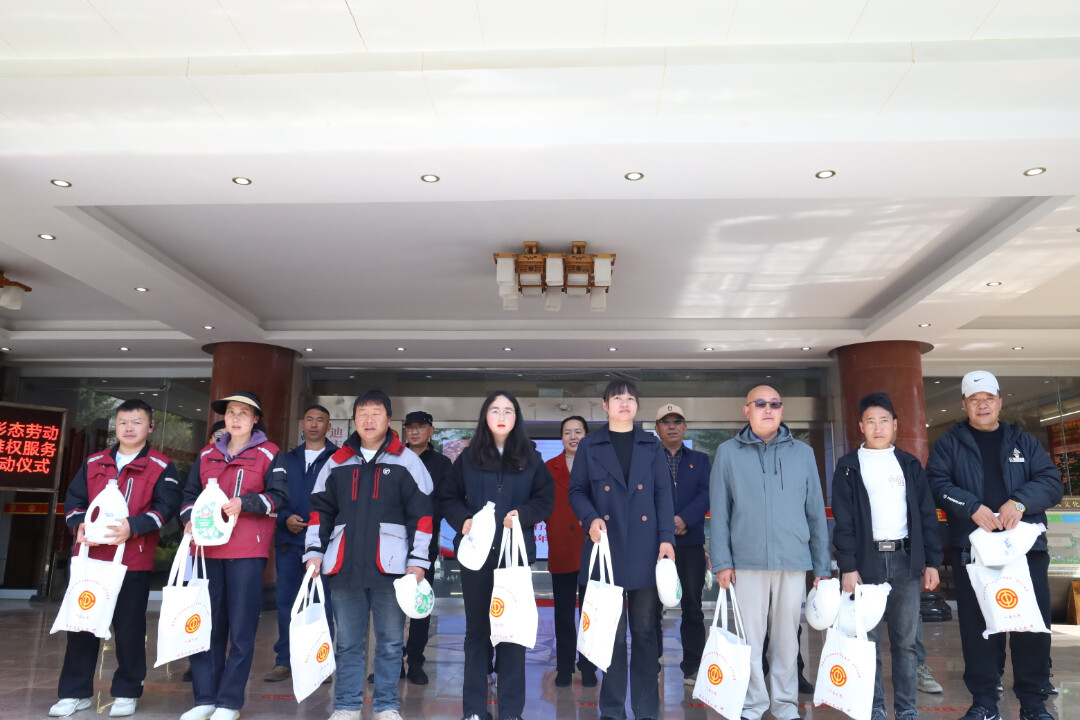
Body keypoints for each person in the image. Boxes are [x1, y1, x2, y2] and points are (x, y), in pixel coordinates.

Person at [927, 371, 1064, 720]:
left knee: (1029, 625)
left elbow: (1051, 482)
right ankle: (985, 702)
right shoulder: (949, 443)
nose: (982, 405)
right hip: (973, 549)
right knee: (978, 628)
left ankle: (1033, 703)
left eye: (988, 398)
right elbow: (937, 483)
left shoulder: (1023, 441)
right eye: (974, 399)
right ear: (964, 405)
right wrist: (970, 507)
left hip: (1025, 550)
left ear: (1000, 402)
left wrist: (1019, 502)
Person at [304, 390, 433, 720]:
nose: (369, 419)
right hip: (344, 566)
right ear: (354, 420)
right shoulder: (337, 461)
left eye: (376, 413)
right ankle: (346, 705)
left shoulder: (407, 461)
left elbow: (422, 516)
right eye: (363, 413)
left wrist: (418, 562)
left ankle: (386, 705)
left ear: (389, 420)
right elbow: (319, 512)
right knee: (348, 642)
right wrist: (314, 552)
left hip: (392, 569)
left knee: (390, 642)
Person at [51, 399, 181, 719]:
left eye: (137, 422)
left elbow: (166, 509)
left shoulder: (161, 465)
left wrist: (132, 527)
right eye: (123, 422)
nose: (129, 428)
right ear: (116, 426)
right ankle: (75, 692)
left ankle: (126, 691)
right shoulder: (94, 462)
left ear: (150, 427)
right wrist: (79, 525)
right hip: (91, 559)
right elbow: (74, 501)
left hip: (132, 561)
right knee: (81, 626)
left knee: (129, 629)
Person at [709, 384, 830, 720]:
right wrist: (722, 561)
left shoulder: (802, 453)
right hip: (746, 563)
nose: (768, 409)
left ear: (782, 410)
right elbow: (720, 512)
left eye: (774, 404)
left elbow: (815, 513)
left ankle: (785, 704)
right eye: (760, 403)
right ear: (746, 410)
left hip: (793, 561)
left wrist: (822, 568)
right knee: (749, 639)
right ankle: (753, 704)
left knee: (787, 639)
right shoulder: (728, 453)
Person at [437, 391, 554, 720]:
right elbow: (448, 497)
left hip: (514, 558)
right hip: (477, 557)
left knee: (511, 634)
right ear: (485, 417)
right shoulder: (469, 457)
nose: (501, 416)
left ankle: (511, 711)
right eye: (494, 410)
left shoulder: (531, 458)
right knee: (477, 632)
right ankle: (474, 711)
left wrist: (523, 515)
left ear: (516, 417)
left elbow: (546, 499)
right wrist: (464, 520)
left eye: (508, 411)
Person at [832, 392, 943, 720]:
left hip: (906, 561)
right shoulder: (849, 466)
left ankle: (906, 710)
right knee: (867, 642)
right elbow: (844, 522)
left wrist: (933, 562)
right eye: (870, 421)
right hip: (867, 563)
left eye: (884, 420)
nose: (877, 427)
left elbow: (926, 515)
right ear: (861, 427)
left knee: (905, 643)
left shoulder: (908, 464)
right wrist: (848, 566)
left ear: (895, 424)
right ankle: (876, 709)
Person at [568, 379, 676, 720]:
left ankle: (646, 711)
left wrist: (666, 538)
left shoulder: (651, 445)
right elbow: (576, 491)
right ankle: (612, 711)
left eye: (630, 398)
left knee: (645, 633)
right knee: (610, 636)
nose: (624, 403)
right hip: (606, 551)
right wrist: (590, 518)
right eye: (617, 398)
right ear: (605, 405)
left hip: (646, 551)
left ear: (637, 405)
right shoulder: (590, 446)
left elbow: (663, 494)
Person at [179, 391, 289, 720]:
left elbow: (279, 496)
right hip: (205, 549)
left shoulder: (270, 453)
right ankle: (204, 698)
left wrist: (246, 502)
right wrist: (188, 519)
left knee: (241, 630)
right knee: (205, 626)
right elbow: (189, 494)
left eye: (243, 412)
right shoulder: (207, 453)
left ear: (255, 419)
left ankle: (228, 702)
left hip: (246, 551)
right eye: (230, 412)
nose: (236, 418)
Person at [264, 404, 338, 683]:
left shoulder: (338, 458)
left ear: (329, 427)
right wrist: (284, 519)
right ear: (302, 425)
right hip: (289, 542)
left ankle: (321, 662)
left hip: (324, 545)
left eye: (320, 420)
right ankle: (284, 661)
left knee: (321, 604)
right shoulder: (285, 459)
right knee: (287, 605)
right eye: (309, 419)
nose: (314, 424)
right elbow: (272, 495)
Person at [652, 402, 711, 687]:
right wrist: (666, 524)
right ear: (657, 428)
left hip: (690, 543)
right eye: (666, 421)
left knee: (693, 607)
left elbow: (707, 493)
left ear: (685, 427)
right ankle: (651, 664)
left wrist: (685, 518)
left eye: (677, 421)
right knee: (651, 608)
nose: (672, 426)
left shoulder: (700, 460)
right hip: (655, 545)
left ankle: (693, 667)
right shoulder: (648, 458)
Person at [401, 409, 453, 685]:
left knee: (419, 604)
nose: (414, 431)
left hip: (424, 543)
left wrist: (423, 519)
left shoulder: (442, 464)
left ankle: (416, 662)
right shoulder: (395, 457)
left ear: (431, 431)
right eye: (410, 427)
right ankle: (391, 661)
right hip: (393, 541)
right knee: (391, 606)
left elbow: (445, 500)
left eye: (420, 427)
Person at [545, 415, 597, 688]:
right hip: (562, 546)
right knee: (563, 613)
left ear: (586, 436)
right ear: (561, 438)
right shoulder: (548, 467)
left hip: (590, 546)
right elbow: (542, 503)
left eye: (578, 432)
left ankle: (588, 667)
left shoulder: (597, 465)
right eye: (567, 432)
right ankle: (564, 667)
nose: (573, 437)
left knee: (589, 613)